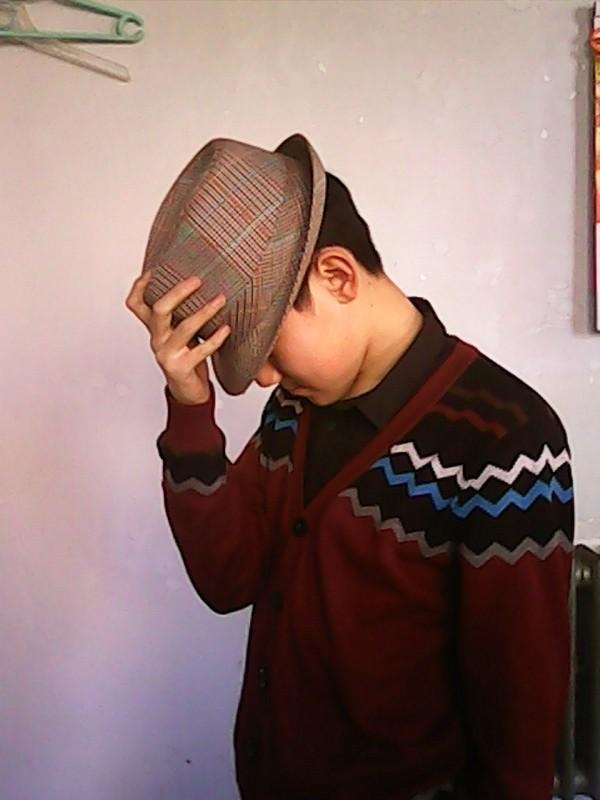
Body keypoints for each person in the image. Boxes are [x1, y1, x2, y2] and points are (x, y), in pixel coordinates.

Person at [125, 134, 575, 800]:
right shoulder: (295, 409)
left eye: (265, 345)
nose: (263, 378)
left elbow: (518, 723)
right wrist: (192, 410)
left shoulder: (506, 438)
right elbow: (227, 578)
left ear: (336, 276)